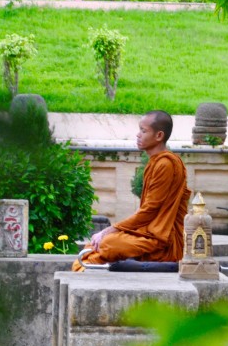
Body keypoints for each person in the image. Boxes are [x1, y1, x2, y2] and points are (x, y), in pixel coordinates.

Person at [73, 110, 191, 271]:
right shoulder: (155, 162)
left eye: (143, 131)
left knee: (107, 243)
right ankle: (87, 267)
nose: (138, 135)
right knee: (95, 244)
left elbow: (149, 210)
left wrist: (109, 229)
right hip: (149, 233)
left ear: (159, 136)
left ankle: (87, 268)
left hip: (162, 241)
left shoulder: (166, 164)